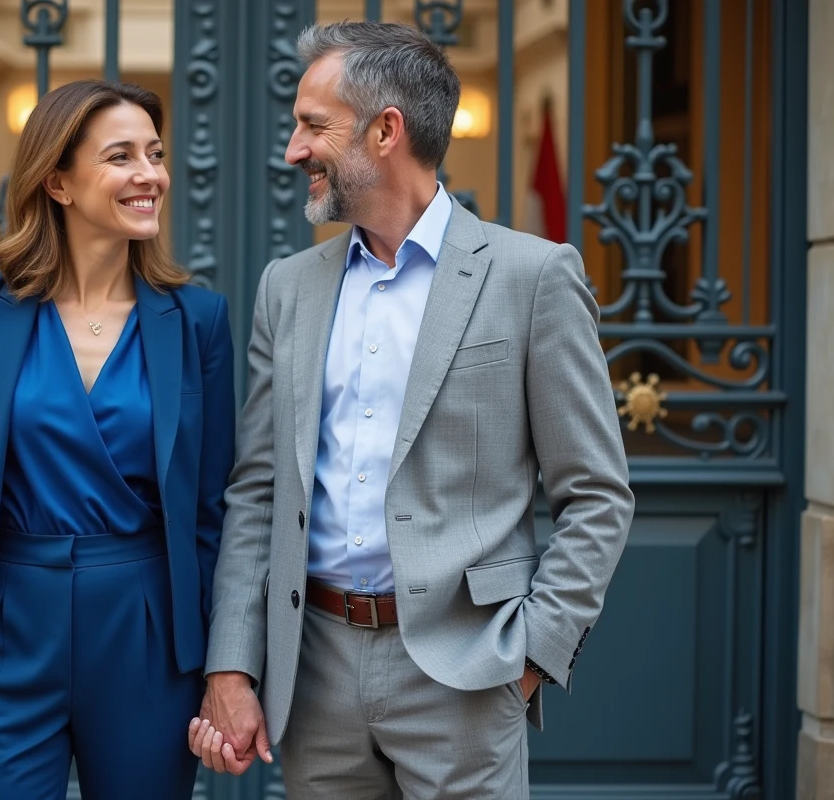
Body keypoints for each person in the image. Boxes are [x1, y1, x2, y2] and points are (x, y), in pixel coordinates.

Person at [190, 21, 635, 799]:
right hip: (314, 676)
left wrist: (527, 659)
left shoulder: (533, 278)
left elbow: (596, 493)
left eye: (312, 126)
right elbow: (258, 491)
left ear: (386, 131)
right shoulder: (286, 288)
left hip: (466, 675)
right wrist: (233, 664)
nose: (293, 149)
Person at [0, 79, 235, 800]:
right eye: (121, 157)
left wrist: (224, 669)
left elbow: (212, 517)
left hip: (146, 632)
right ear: (58, 181)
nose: (150, 175)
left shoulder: (200, 321)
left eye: (155, 153)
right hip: (1, 628)